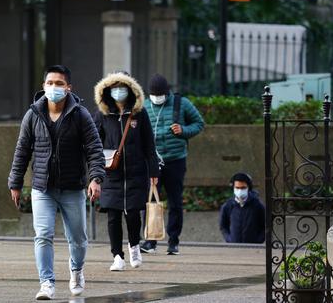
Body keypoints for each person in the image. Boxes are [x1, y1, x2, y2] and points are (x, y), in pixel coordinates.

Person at [8, 65, 105, 300]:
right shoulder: (33, 114)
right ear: (43, 86)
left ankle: (76, 270)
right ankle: (46, 283)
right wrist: (16, 182)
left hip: (72, 187)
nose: (54, 87)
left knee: (78, 238)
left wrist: (96, 178)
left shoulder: (80, 115)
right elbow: (22, 150)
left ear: (68, 88)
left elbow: (94, 149)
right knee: (42, 234)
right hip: (42, 187)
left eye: (59, 84)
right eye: (50, 83)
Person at [93, 72, 159, 271]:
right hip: (111, 173)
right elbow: (94, 144)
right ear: (107, 91)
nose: (118, 92)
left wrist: (153, 172)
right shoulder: (102, 115)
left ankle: (134, 246)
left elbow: (149, 145)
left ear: (131, 90)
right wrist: (94, 175)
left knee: (132, 214)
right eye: (114, 88)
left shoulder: (140, 114)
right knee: (113, 216)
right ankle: (117, 256)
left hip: (135, 172)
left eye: (122, 87)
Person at [141, 74, 204, 255]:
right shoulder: (145, 106)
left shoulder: (181, 103)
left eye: (160, 94)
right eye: (153, 94)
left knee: (175, 201)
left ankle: (173, 241)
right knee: (151, 200)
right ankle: (150, 241)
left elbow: (199, 123)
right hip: (153, 161)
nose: (157, 97)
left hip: (176, 159)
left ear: (167, 93)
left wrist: (183, 130)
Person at [219, 172, 265, 244]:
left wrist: (258, 241)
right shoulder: (227, 206)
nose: (240, 190)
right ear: (233, 188)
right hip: (234, 247)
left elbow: (265, 226)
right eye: (237, 188)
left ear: (248, 188)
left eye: (243, 188)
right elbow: (223, 226)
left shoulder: (257, 205)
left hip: (253, 248)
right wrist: (229, 239)